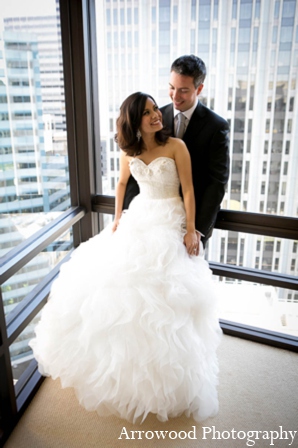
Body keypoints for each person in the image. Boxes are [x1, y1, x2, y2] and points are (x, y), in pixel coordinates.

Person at [29, 92, 222, 424]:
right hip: (140, 214)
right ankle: (124, 374)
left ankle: (169, 377)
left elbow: (189, 190)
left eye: (154, 109)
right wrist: (117, 218)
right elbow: (121, 183)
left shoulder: (177, 146)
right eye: (147, 113)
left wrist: (191, 230)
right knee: (116, 291)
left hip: (169, 218)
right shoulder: (128, 151)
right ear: (135, 121)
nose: (156, 115)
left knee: (166, 295)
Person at [123, 55, 230, 249]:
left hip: (189, 223)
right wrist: (128, 219)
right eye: (172, 87)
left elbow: (216, 183)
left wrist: (197, 230)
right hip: (146, 222)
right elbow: (133, 175)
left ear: (199, 89)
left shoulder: (216, 126)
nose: (175, 95)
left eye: (183, 90)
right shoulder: (155, 116)